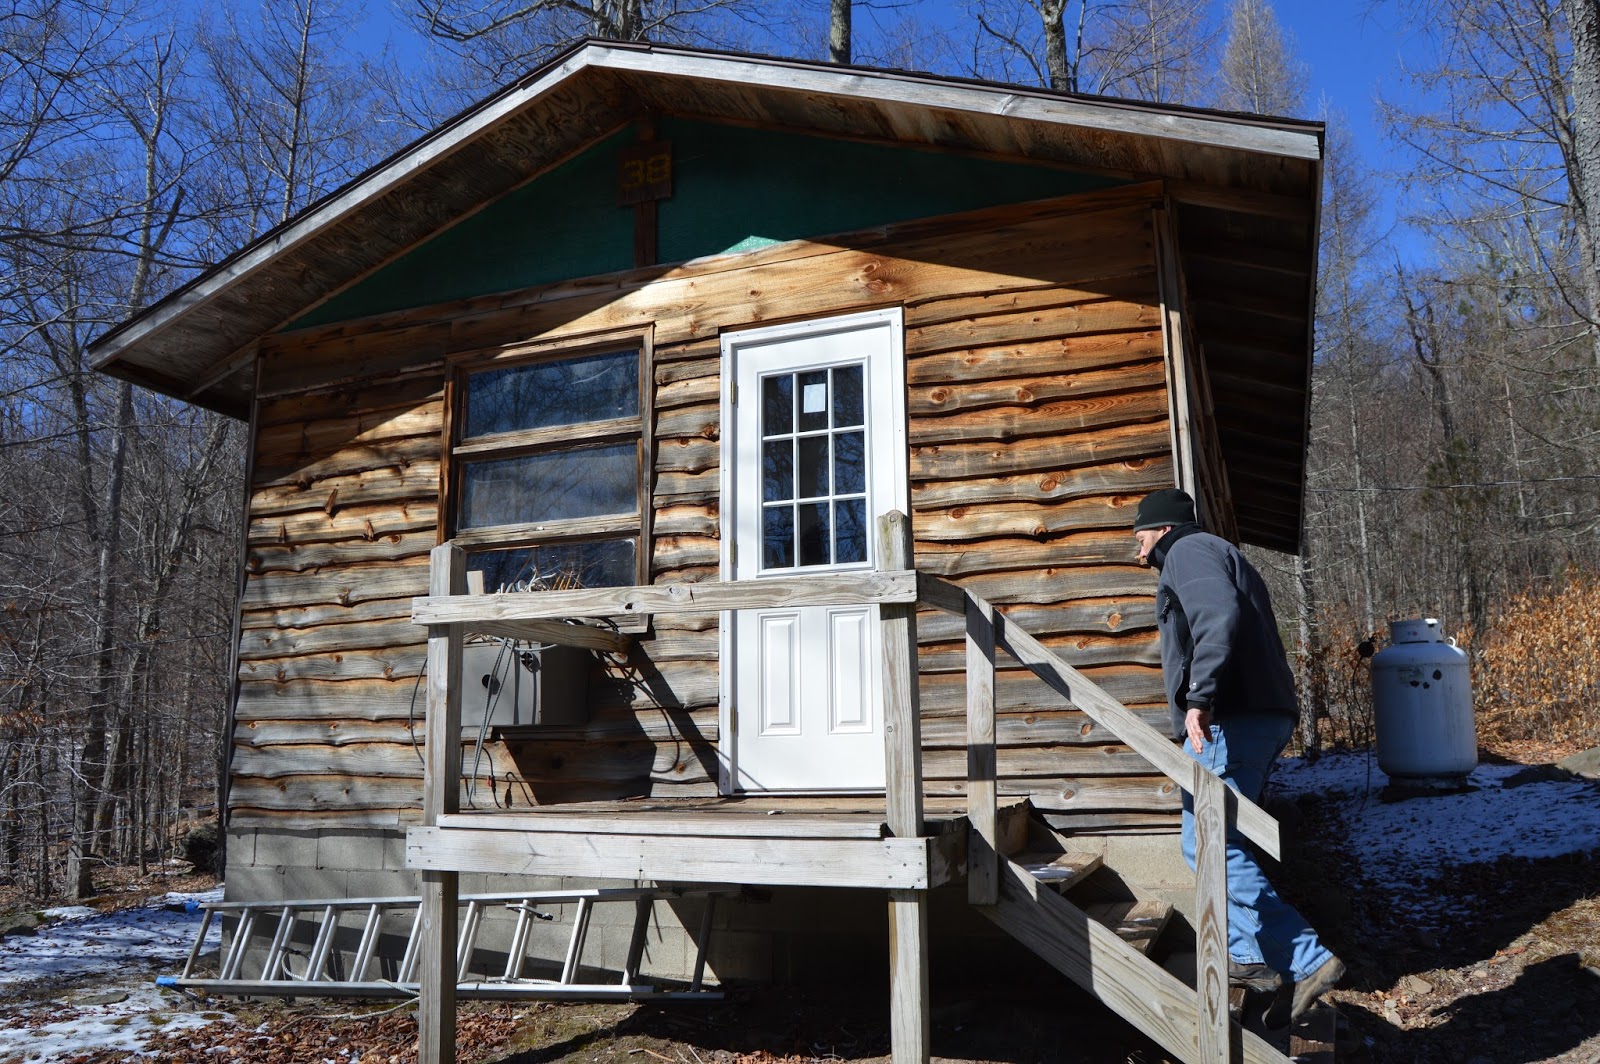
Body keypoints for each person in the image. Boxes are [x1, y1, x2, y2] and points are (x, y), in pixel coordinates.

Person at [1132, 487, 1344, 1027]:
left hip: (1230, 717)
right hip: (1255, 716)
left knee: (1205, 842)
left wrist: (1199, 698)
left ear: (1161, 530)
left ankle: (1274, 958)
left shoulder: (1189, 551)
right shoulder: (1215, 552)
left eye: (1140, 537)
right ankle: (1285, 962)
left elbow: (1217, 613)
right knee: (1222, 841)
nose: (1138, 553)